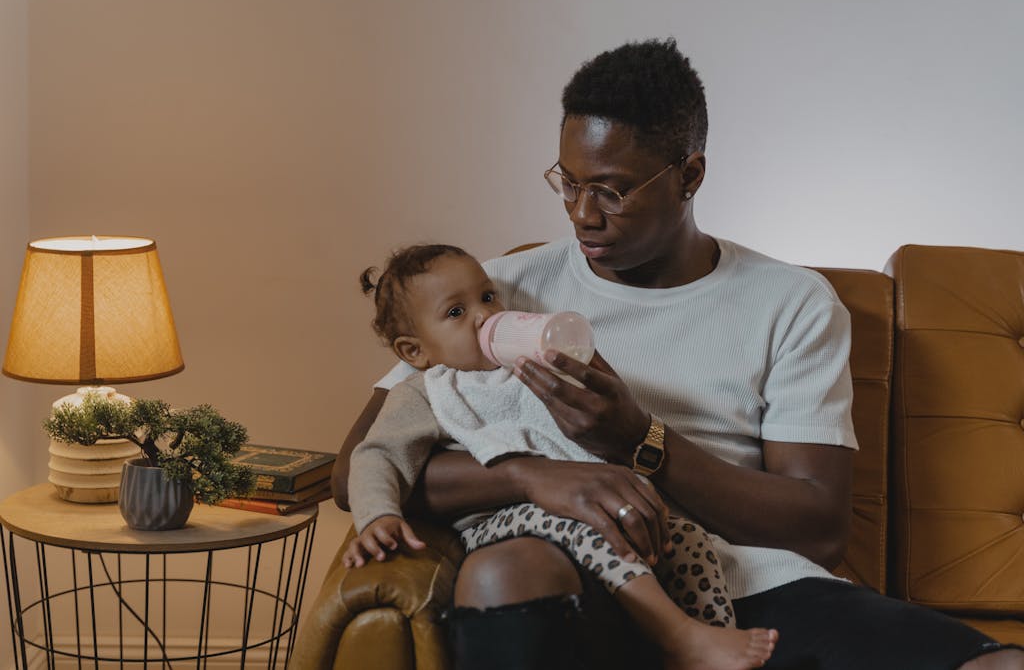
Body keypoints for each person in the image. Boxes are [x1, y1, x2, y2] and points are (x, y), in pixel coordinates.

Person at [333, 39, 1024, 669]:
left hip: (746, 584)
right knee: (501, 573)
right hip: (580, 576)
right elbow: (360, 463)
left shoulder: (791, 302)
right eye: (568, 182)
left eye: (611, 189)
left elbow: (818, 527)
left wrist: (638, 438)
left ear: (689, 175)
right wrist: (534, 477)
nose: (581, 213)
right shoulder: (494, 290)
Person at [342, 243, 777, 670]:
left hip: (588, 505)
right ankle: (679, 636)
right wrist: (377, 515)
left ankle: (710, 637)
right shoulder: (428, 392)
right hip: (504, 521)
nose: (484, 315)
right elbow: (377, 455)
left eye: (488, 296)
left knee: (687, 540)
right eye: (456, 312)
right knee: (590, 527)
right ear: (414, 351)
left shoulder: (532, 367)